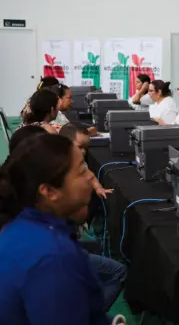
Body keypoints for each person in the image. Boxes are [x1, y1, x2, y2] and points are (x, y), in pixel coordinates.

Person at [0, 134, 126, 324]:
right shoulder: (54, 258)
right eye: (82, 170)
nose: (91, 175)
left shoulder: (18, 227)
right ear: (49, 191)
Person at [59, 123, 113, 200]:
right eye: (80, 147)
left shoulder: (80, 163)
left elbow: (91, 177)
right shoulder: (58, 165)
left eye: (85, 147)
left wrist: (98, 188)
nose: (84, 151)